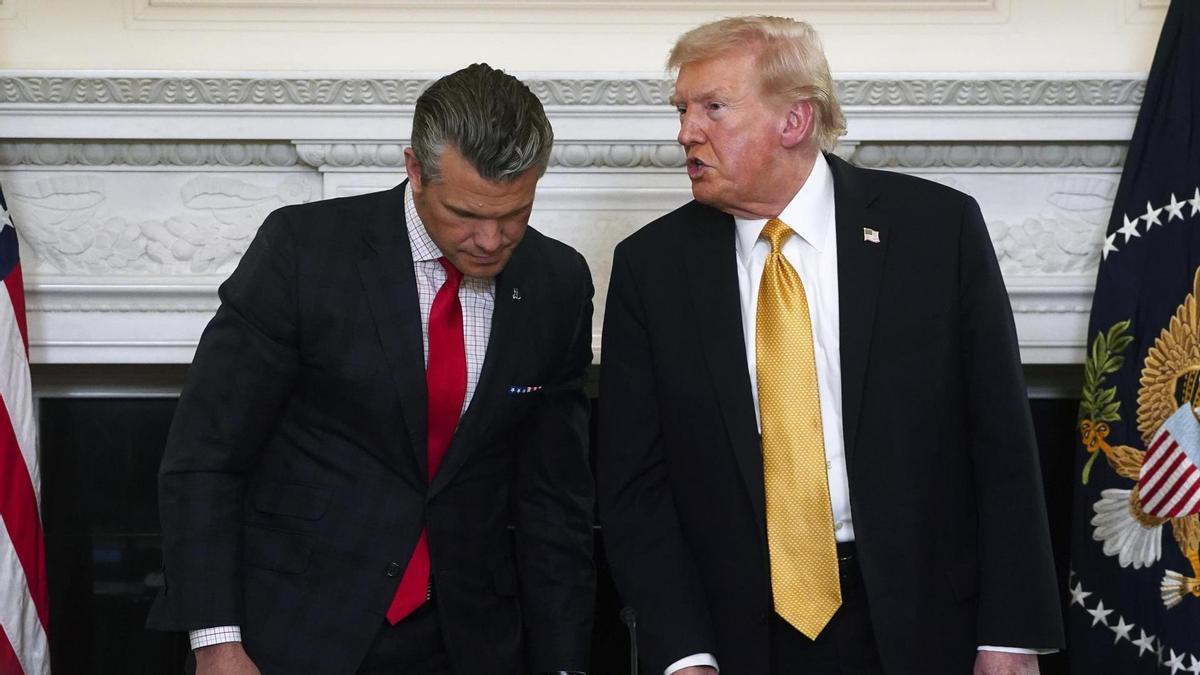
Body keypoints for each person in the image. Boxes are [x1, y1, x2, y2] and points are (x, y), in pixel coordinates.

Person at [597, 16, 1064, 675]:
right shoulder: (652, 268)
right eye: (682, 109)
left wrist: (1012, 634)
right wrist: (682, 652)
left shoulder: (937, 232)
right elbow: (634, 484)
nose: (686, 132)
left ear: (794, 120)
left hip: (923, 623)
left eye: (713, 108)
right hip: (737, 636)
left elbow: (1003, 443)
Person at [147, 63, 595, 675]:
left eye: (514, 214)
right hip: (295, 629)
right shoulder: (304, 252)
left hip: (470, 639)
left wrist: (564, 663)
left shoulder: (556, 283)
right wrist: (217, 640)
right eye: (465, 212)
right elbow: (206, 455)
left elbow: (554, 501)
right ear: (415, 170)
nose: (490, 240)